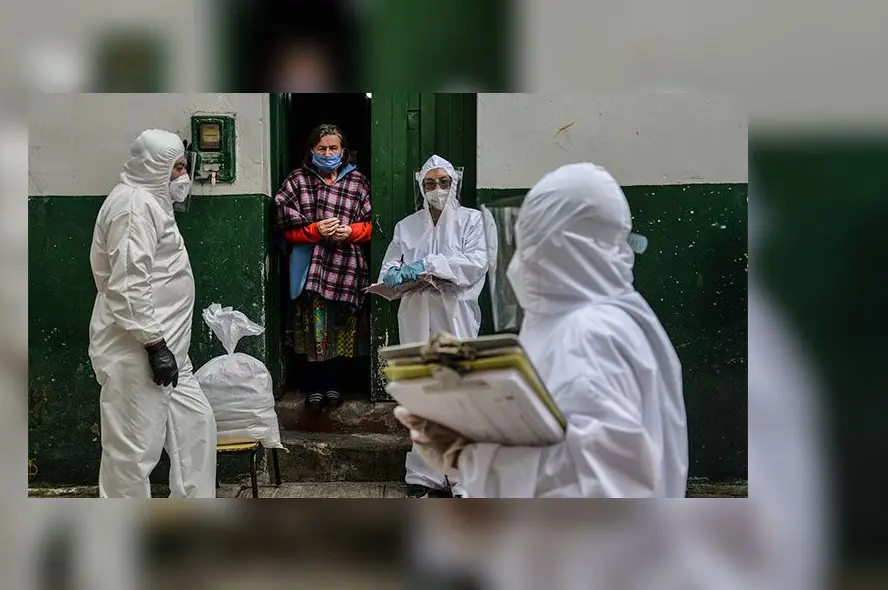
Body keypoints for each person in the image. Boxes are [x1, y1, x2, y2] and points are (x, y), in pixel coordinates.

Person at [395, 162, 688, 498]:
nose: (521, 258)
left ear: (566, 243)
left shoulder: (588, 337)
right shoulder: (608, 317)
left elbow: (600, 490)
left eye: (531, 241)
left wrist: (474, 458)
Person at [88, 128, 217, 498]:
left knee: (195, 426)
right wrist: (154, 344)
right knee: (132, 450)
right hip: (139, 351)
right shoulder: (134, 207)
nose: (183, 176)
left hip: (170, 351)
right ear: (154, 168)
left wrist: (164, 347)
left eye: (183, 166)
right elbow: (128, 283)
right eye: (175, 168)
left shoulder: (152, 203)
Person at [379, 155, 489, 498]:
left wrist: (429, 265)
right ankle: (423, 475)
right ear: (421, 186)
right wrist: (394, 275)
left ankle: (462, 478)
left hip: (454, 315)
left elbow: (476, 263)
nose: (437, 189)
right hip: (417, 314)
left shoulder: (472, 220)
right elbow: (389, 267)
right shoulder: (406, 226)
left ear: (454, 183)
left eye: (443, 182)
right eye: (430, 183)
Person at [274, 124, 373, 412]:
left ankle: (334, 386)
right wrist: (314, 230)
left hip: (347, 269)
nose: (328, 154)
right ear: (311, 150)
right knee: (314, 329)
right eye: (322, 148)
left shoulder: (358, 182)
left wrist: (352, 232)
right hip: (312, 271)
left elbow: (372, 226)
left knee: (342, 327)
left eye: (333, 148)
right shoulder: (297, 181)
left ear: (343, 152)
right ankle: (314, 387)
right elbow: (283, 228)